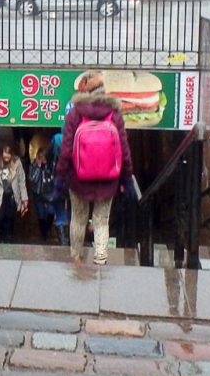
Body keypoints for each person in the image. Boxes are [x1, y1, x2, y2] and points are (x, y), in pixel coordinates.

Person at [55, 70, 133, 265]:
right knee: (101, 221)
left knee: (78, 219)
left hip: (78, 178)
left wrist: (60, 177)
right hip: (108, 179)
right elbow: (123, 149)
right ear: (104, 91)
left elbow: (65, 149)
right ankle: (100, 259)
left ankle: (76, 257)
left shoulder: (75, 114)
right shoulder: (114, 114)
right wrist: (127, 177)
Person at [0, 145, 28, 244]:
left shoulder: (17, 164)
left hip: (11, 196)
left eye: (8, 154)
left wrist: (24, 198)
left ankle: (8, 237)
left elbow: (21, 181)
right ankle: (2, 236)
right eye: (4, 154)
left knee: (10, 218)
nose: (6, 156)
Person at [30, 148, 67, 245]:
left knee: (51, 211)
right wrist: (38, 167)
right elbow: (32, 179)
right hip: (38, 193)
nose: (42, 159)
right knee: (41, 214)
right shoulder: (33, 166)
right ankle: (44, 234)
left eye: (44, 157)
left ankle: (48, 229)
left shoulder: (51, 166)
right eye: (40, 157)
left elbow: (55, 177)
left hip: (50, 193)